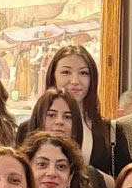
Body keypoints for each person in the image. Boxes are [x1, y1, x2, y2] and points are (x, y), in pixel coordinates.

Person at [42, 42, 115, 176]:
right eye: (66, 72)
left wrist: (94, 175)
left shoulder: (109, 131)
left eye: (83, 73)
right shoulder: (27, 128)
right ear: (53, 76)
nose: (75, 81)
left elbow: (123, 181)